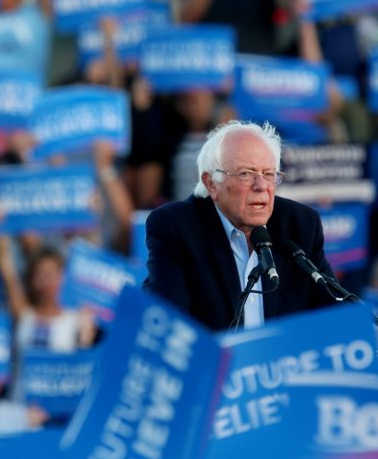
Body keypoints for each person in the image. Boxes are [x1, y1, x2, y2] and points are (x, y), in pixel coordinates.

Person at [143, 120, 337, 331]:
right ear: (211, 184)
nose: (261, 186)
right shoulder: (175, 227)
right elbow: (169, 324)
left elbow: (336, 316)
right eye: (246, 174)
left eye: (269, 174)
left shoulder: (301, 225)